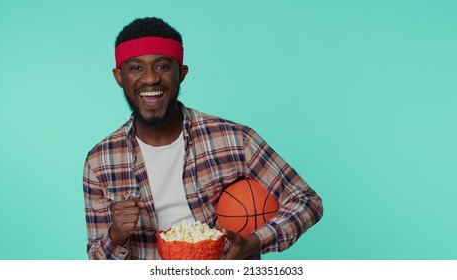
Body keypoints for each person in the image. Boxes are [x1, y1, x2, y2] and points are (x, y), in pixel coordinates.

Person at [83, 17, 323, 260]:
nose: (150, 78)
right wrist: (115, 235)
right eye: (136, 68)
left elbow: (306, 201)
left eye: (163, 66)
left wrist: (252, 243)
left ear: (182, 73)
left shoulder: (234, 139)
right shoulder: (100, 161)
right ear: (119, 77)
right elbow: (97, 259)